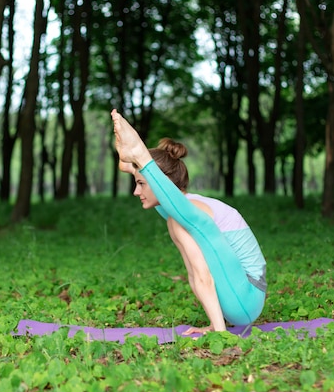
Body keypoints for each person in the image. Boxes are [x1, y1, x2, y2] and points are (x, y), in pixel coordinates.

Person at [111, 109, 266, 335]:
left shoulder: (192, 210)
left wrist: (140, 156)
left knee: (180, 222)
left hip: (247, 297)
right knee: (177, 221)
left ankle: (220, 330)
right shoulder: (180, 210)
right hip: (237, 297)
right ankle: (218, 325)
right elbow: (198, 270)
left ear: (160, 182)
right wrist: (126, 158)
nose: (136, 191)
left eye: (142, 184)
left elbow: (203, 272)